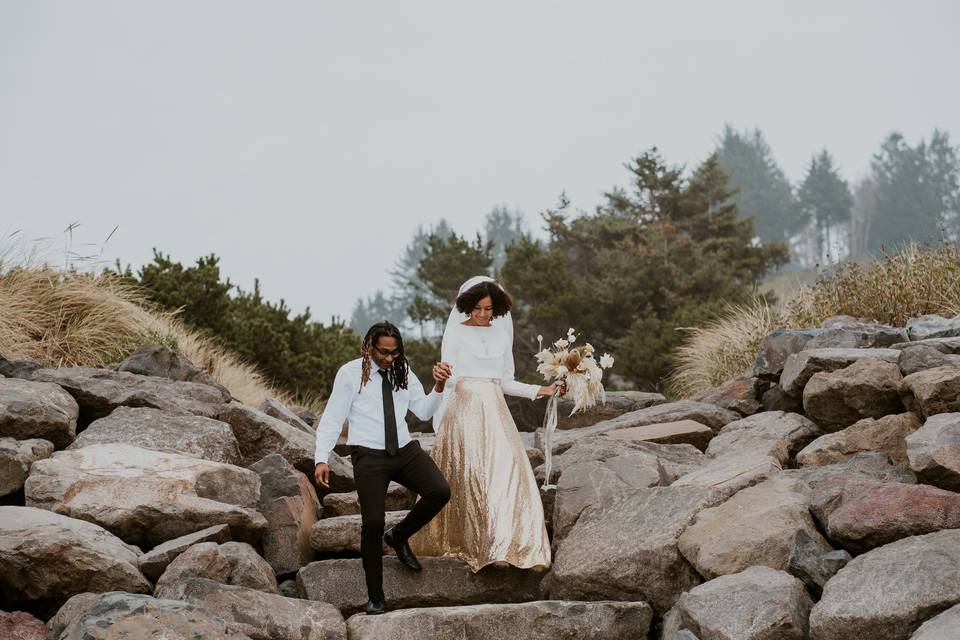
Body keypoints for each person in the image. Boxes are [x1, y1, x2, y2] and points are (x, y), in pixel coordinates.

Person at [410, 276, 556, 572]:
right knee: (474, 474)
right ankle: (476, 544)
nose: (483, 314)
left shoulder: (501, 335)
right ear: (468, 307)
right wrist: (444, 377)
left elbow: (506, 381)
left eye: (489, 309)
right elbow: (449, 375)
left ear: (497, 308)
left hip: (495, 409)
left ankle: (511, 546)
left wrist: (541, 390)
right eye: (478, 308)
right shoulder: (457, 333)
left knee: (508, 471)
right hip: (464, 407)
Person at [314, 321, 453, 615]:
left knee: (440, 491)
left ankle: (399, 535)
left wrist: (438, 387)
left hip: (404, 449)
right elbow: (332, 418)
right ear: (369, 346)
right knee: (373, 523)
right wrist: (321, 458)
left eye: (395, 353)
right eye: (384, 352)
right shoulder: (351, 373)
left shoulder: (403, 370)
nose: (389, 358)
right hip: (369, 455)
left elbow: (425, 411)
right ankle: (376, 596)